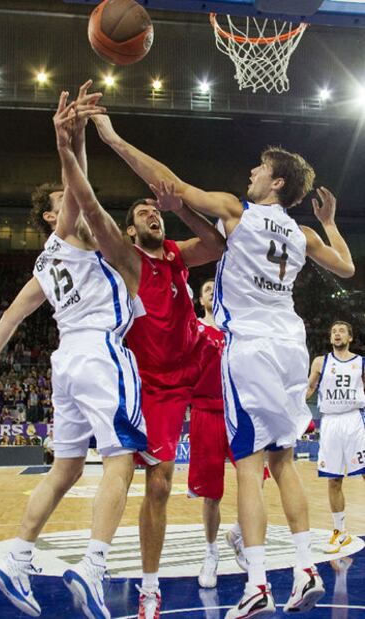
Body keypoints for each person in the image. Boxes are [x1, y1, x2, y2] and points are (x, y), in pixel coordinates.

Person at [91, 115, 355, 617]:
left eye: (259, 168)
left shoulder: (239, 210)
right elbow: (346, 266)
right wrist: (329, 222)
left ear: (276, 182)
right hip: (291, 344)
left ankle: (257, 582)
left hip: (250, 346)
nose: (250, 173)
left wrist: (113, 138)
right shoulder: (300, 234)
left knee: (250, 466)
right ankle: (303, 568)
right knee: (283, 461)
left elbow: (166, 180)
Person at [0, 82, 148, 619]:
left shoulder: (43, 264)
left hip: (64, 362)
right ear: (50, 218)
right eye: (59, 205)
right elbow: (80, 192)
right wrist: (69, 144)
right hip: (98, 351)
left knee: (65, 469)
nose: (68, 204)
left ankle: (18, 558)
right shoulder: (67, 233)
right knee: (122, 460)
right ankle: (93, 568)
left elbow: (12, 315)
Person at [91, 119, 226, 619]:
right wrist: (102, 140)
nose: (153, 214)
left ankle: (236, 537)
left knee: (261, 446)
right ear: (129, 229)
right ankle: (150, 585)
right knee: (161, 481)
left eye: (155, 211)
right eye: (144, 211)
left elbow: (215, 245)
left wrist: (180, 207)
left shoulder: (175, 254)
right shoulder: (126, 259)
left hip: (202, 357)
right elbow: (94, 215)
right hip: (157, 381)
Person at [188, 278, 235, 588]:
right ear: (201, 300)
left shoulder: (236, 330)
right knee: (212, 494)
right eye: (206, 290)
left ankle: (241, 535)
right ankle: (211, 552)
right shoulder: (193, 329)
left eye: (215, 288)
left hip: (237, 411)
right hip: (205, 411)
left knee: (256, 477)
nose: (211, 292)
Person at [306, 320, 365, 553]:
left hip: (354, 420)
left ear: (350, 337)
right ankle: (340, 533)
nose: (337, 334)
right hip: (330, 422)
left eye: (341, 331)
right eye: (333, 331)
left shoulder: (361, 363)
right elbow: (310, 389)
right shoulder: (321, 362)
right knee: (334, 479)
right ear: (330, 338)